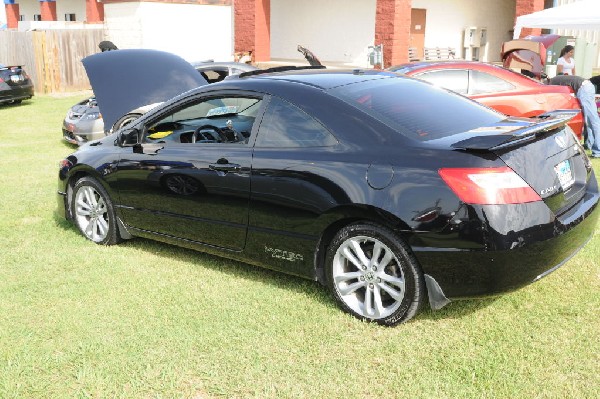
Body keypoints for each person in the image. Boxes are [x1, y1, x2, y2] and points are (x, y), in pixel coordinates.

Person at [549, 74, 600, 158]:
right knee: (589, 119)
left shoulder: (550, 83)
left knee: (593, 121)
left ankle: (598, 151)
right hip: (586, 86)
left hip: (584, 88)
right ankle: (589, 144)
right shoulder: (556, 79)